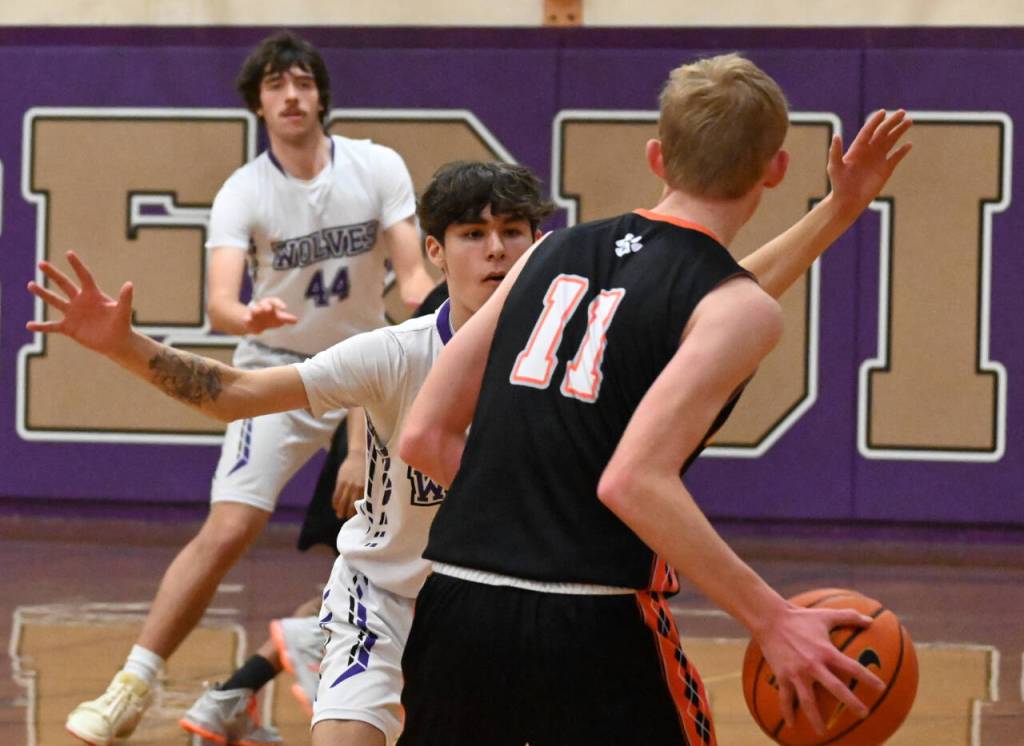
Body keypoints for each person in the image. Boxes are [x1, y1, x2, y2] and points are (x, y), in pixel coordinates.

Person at [30, 108, 909, 744]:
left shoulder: (575, 317)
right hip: (391, 591)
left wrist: (837, 212)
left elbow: (717, 295)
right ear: (434, 251)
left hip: (494, 594)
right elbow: (232, 393)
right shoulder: (396, 353)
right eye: (474, 234)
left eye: (513, 232)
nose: (496, 249)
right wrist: (124, 346)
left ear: (536, 245)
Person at [397, 55, 913, 746]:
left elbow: (424, 435)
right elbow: (634, 479)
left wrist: (840, 209)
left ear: (657, 157)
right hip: (593, 619)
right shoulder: (738, 310)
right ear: (776, 169)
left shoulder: (546, 254)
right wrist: (772, 618)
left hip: (457, 605)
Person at [60, 30, 433, 746]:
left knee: (390, 540)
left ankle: (276, 676)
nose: (291, 95)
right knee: (230, 526)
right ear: (258, 104)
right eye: (275, 85)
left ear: (321, 96)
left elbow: (413, 278)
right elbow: (221, 305)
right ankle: (132, 685)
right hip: (276, 367)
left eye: (302, 82)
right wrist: (248, 316)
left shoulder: (377, 165)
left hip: (367, 370)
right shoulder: (244, 190)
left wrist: (451, 306)